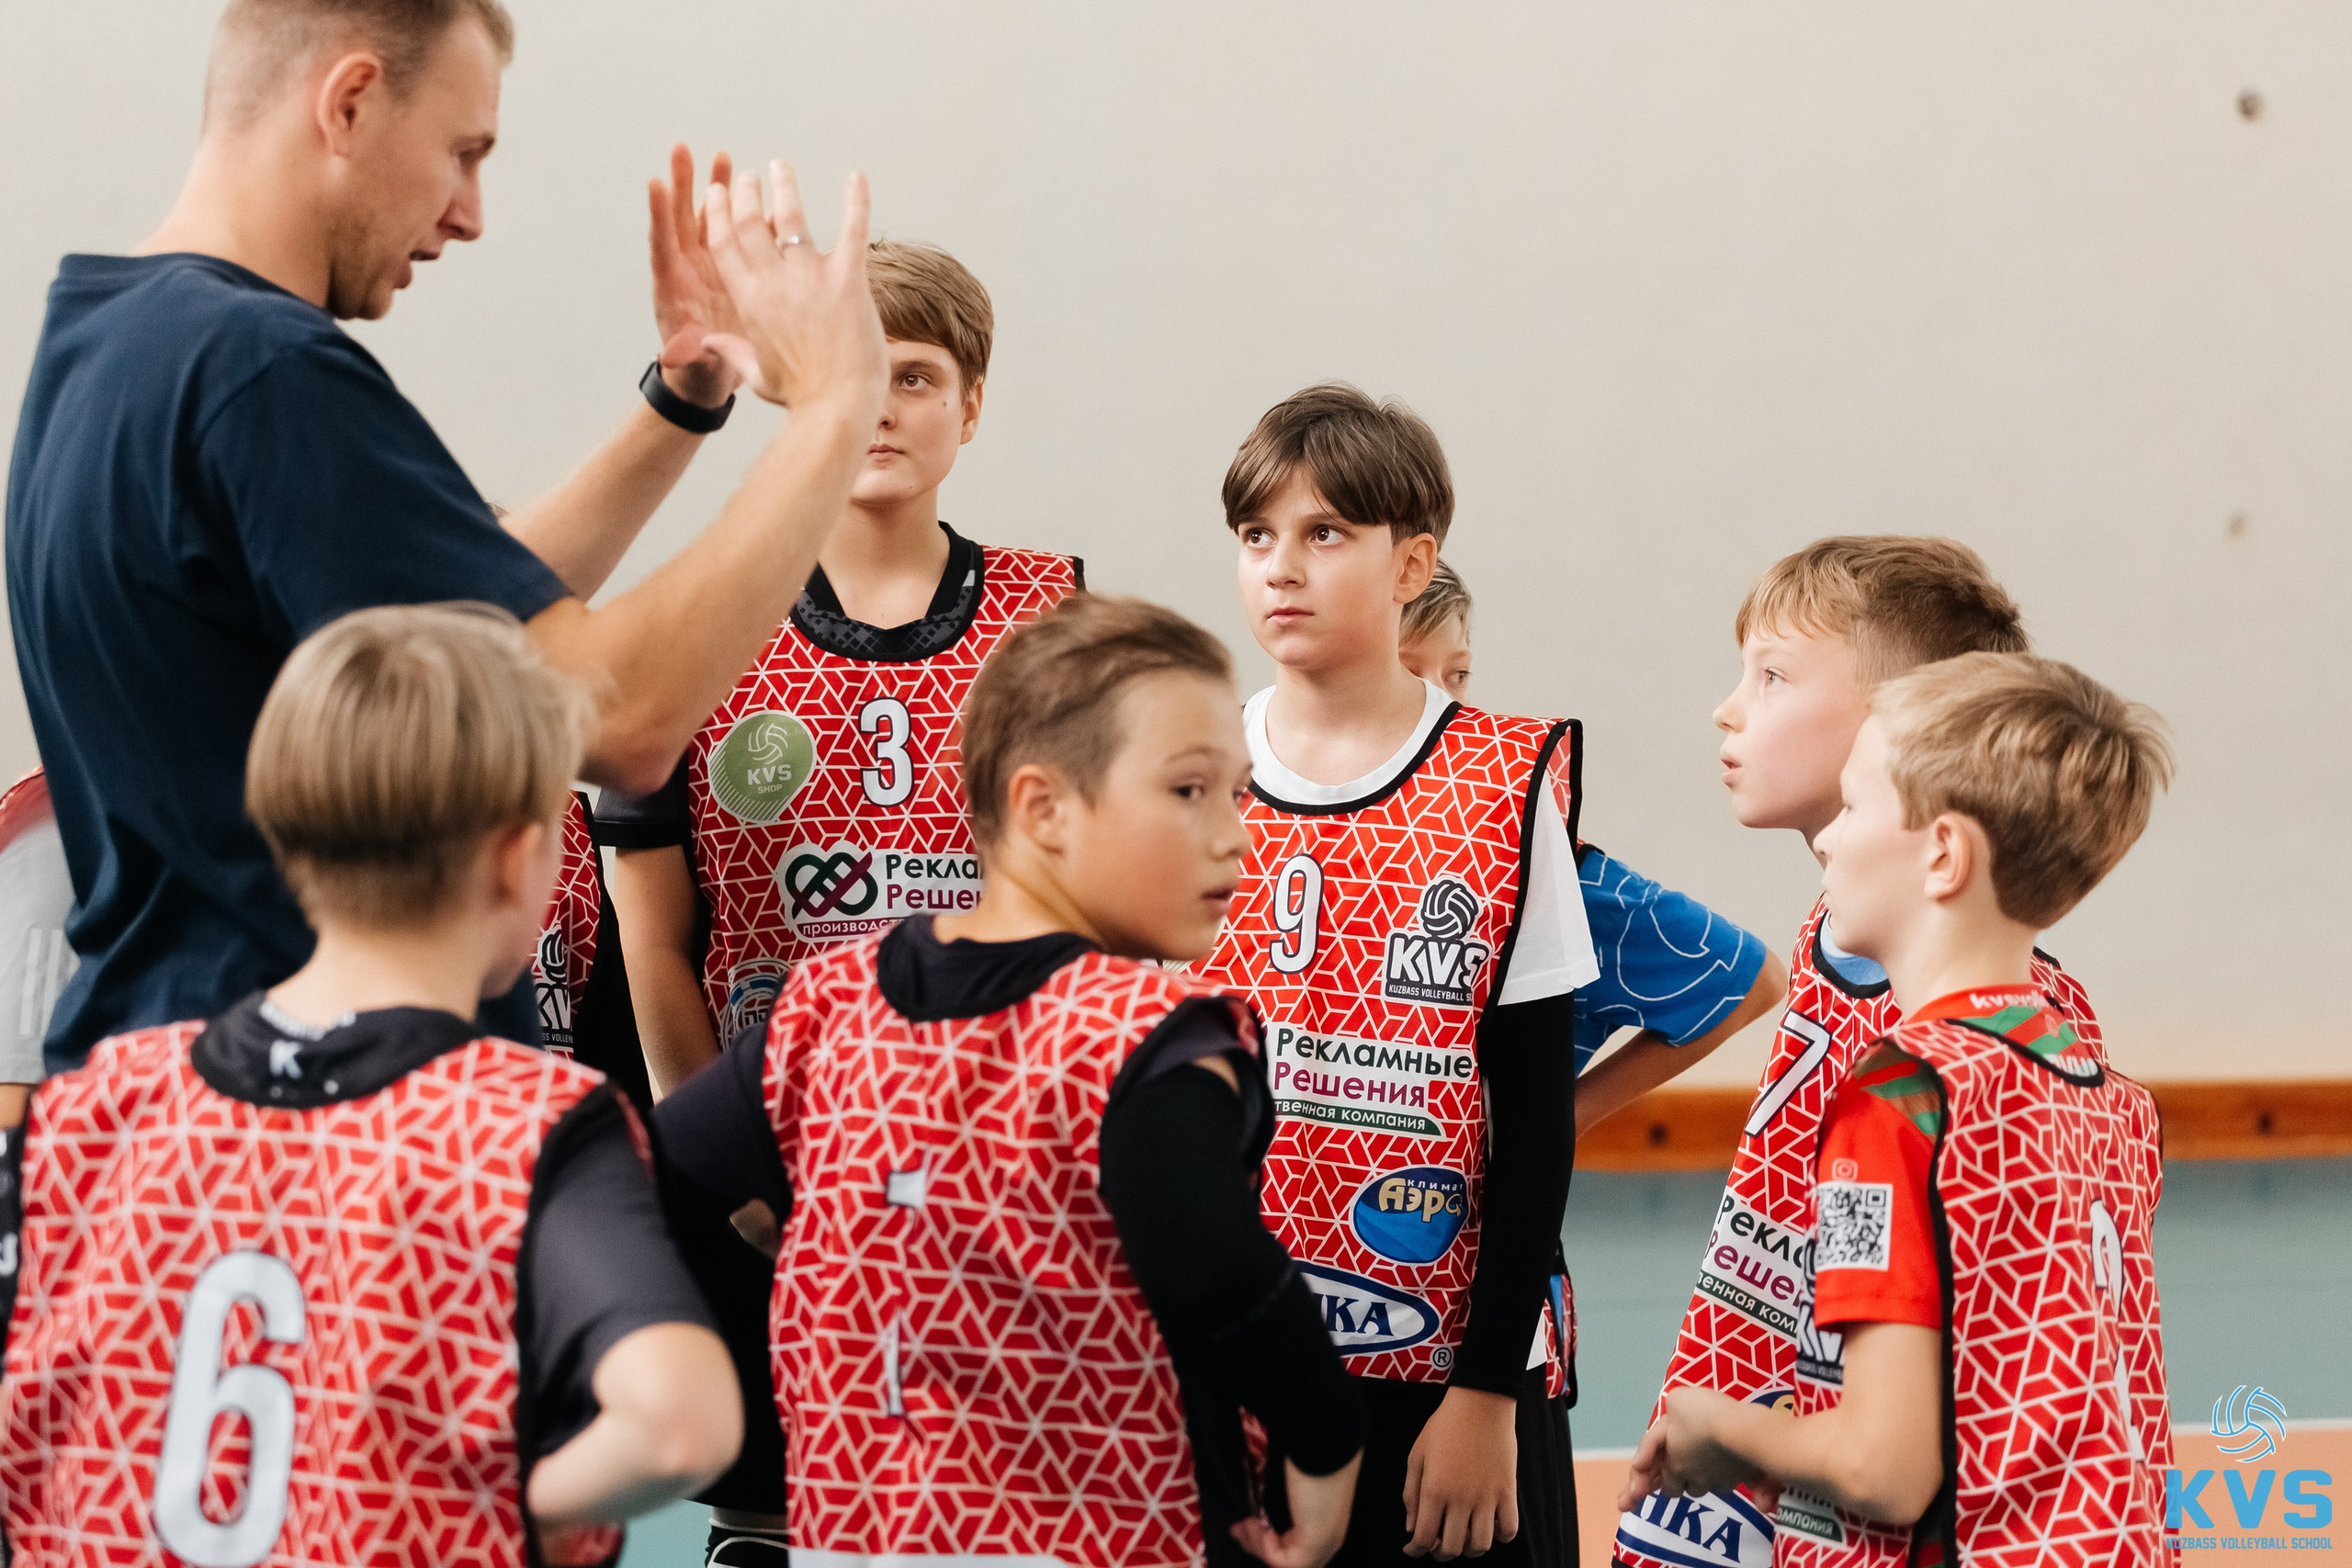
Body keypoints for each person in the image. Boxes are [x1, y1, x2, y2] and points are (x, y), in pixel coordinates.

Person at [6, 0, 890, 1069]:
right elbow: (621, 716)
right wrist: (839, 404)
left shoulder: (115, 340)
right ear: (351, 102)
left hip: (172, 1103)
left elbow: (464, 620)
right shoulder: (264, 372)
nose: (469, 213)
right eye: (463, 154)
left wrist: (684, 402)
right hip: (327, 1129)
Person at [0, 604, 741, 1565]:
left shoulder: (95, 1108)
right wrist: (510, 1503)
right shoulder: (523, 1128)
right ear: (521, 856)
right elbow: (678, 1424)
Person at [650, 595, 1365, 1568]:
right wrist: (1327, 1446)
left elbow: (650, 1191)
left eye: (1239, 793)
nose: (1236, 834)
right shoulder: (1146, 1039)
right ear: (1040, 808)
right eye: (1191, 791)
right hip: (1117, 1537)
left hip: (859, 1536)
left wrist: (782, 1388)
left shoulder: (822, 1008)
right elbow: (1212, 1267)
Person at [1613, 538, 2111, 1568]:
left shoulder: (1979, 1029)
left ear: (1907, 723)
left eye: (1774, 676)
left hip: (1868, 1484)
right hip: (1768, 1412)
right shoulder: (1830, 931)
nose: (1729, 708)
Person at [1188, 384, 1589, 1566]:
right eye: (1257, 537)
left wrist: (1486, 1395)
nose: (1281, 569)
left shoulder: (1505, 783)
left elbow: (1534, 1122)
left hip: (1441, 1375)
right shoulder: (1188, 764)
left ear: (1413, 562)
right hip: (1231, 1360)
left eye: (1324, 535)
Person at [597, 238, 1080, 1098]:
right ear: (800, 401)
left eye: (914, 377)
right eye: (851, 375)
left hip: (1001, 1128)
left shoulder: (1056, 618)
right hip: (773, 1129)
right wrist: (721, 1168)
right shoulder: (700, 620)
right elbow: (652, 939)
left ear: (971, 407)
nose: (881, 409)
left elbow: (1102, 896)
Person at [1396, 563, 1786, 1136]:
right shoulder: (1275, 832)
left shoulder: (1536, 863)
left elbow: (1752, 981)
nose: (1444, 704)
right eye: (1406, 674)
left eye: (1458, 676)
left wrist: (1560, 1122)